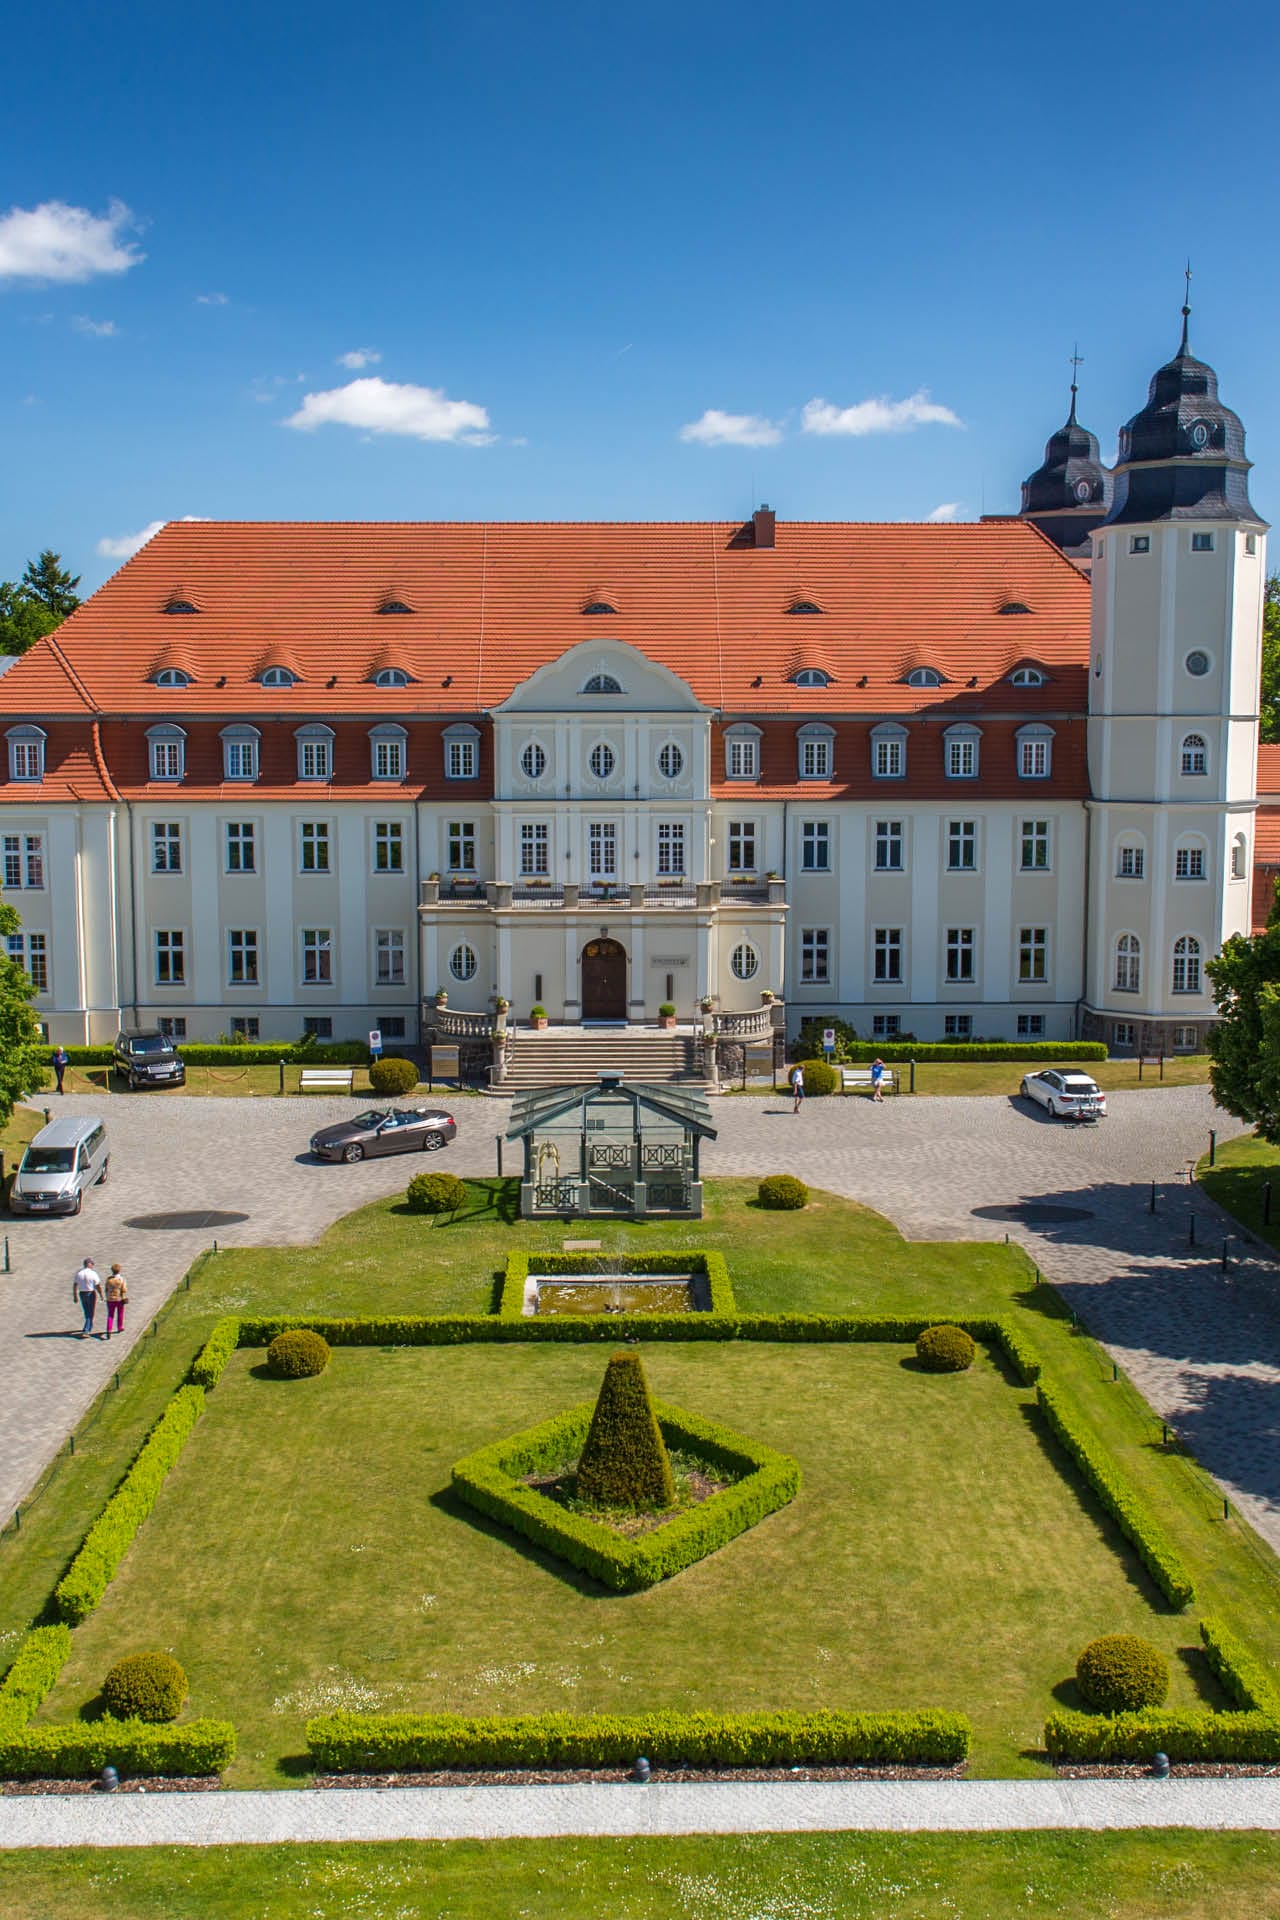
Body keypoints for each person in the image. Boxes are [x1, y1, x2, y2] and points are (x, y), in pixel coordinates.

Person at [72, 1258, 102, 1339]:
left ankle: (88, 1325)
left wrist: (75, 1296)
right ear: (89, 1264)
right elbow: (98, 1285)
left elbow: (75, 1285)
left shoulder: (79, 1273)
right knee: (90, 1312)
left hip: (82, 1293)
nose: (92, 1266)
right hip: (91, 1293)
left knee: (86, 1311)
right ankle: (86, 1330)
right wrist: (101, 1294)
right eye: (92, 1264)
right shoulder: (93, 1273)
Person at [104, 1263, 128, 1340]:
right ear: (119, 1270)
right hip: (119, 1299)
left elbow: (106, 1288)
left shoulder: (109, 1279)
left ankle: (109, 1329)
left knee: (110, 1315)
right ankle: (119, 1327)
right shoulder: (121, 1279)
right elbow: (124, 1290)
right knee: (120, 1313)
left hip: (110, 1299)